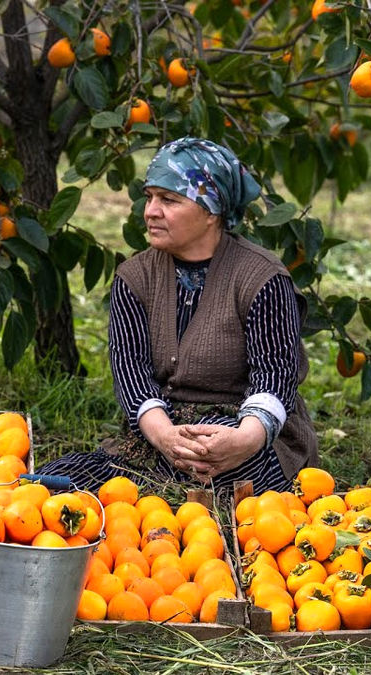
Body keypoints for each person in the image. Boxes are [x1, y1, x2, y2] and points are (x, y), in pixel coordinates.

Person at [40, 137, 318, 495]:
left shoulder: (262, 278)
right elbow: (132, 374)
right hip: (163, 431)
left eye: (169, 199)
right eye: (150, 196)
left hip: (243, 431)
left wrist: (243, 440)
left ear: (211, 212)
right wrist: (164, 436)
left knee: (210, 477)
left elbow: (274, 375)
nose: (151, 211)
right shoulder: (134, 278)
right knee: (62, 484)